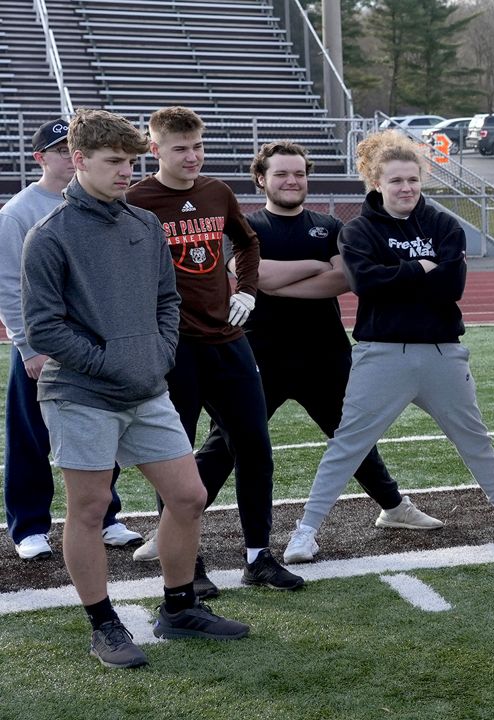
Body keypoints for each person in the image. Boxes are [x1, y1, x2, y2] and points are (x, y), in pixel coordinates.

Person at [22, 108, 250, 669]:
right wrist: (108, 363)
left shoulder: (143, 224)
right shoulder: (48, 235)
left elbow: (166, 302)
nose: (127, 172)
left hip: (147, 386)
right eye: (114, 162)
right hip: (80, 393)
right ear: (79, 161)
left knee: (189, 496)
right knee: (90, 508)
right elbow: (44, 327)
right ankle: (104, 624)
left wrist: (158, 353)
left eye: (131, 162)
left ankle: (178, 607)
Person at [194, 141, 486, 566]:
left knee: (352, 436)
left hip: (324, 352)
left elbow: (341, 280)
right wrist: (310, 268)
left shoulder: (330, 226)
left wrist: (271, 279)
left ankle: (393, 507)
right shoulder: (246, 227)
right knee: (226, 441)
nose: (292, 181)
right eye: (281, 174)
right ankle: (181, 520)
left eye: (299, 173)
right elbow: (241, 274)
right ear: (261, 179)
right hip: (260, 353)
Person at [284, 131, 494, 563]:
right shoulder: (358, 230)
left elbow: (452, 285)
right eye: (396, 181)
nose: (406, 188)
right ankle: (306, 530)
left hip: (442, 351)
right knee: (349, 443)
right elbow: (365, 282)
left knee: (474, 439)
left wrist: (398, 274)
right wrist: (418, 269)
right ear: (376, 183)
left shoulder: (443, 224)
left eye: (413, 180)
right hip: (381, 354)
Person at [127, 106, 301, 594]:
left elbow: (247, 243)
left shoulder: (216, 191)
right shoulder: (137, 201)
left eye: (198, 147)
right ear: (155, 150)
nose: (192, 156)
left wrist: (246, 289)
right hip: (176, 348)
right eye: (180, 148)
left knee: (255, 448)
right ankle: (190, 566)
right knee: (175, 459)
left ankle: (258, 557)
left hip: (229, 342)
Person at [1, 119, 142, 560]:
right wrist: (29, 346)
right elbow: (9, 284)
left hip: (97, 341)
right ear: (40, 158)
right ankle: (28, 526)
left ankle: (105, 516)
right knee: (30, 437)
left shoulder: (106, 203)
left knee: (104, 431)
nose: (66, 155)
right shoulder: (19, 212)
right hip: (45, 342)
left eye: (71, 147)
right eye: (58, 149)